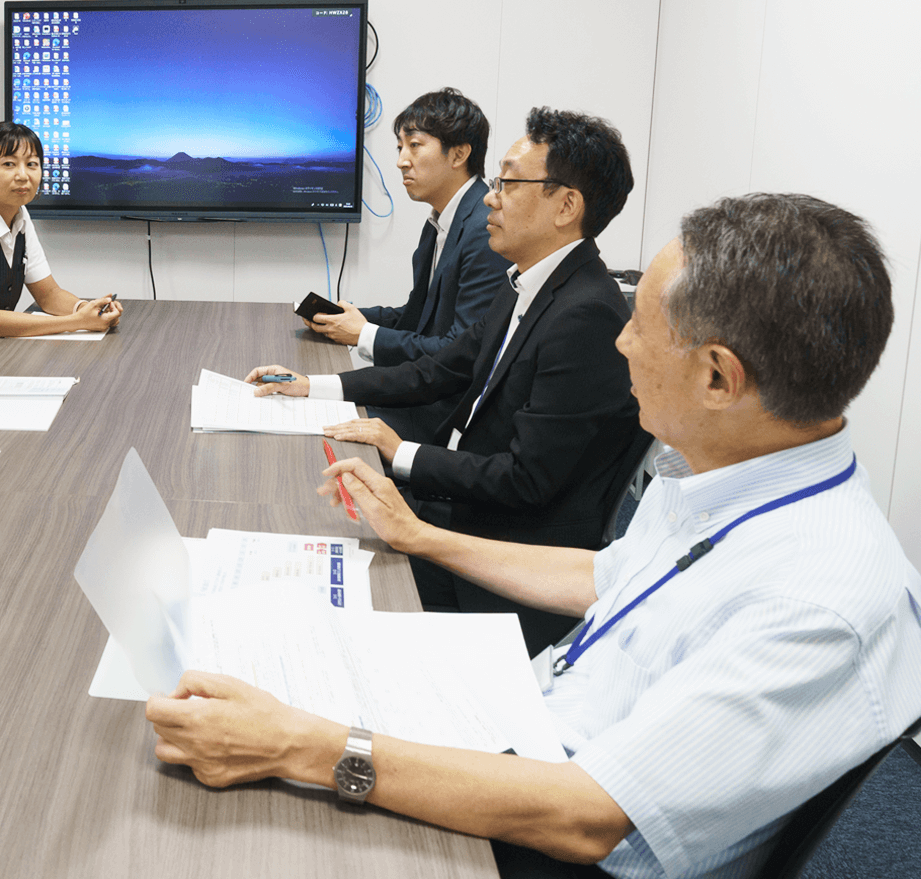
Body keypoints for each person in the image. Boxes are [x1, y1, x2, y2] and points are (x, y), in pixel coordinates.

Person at [154, 193, 921, 879]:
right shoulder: (730, 471)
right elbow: (606, 577)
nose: (620, 346)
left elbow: (587, 816)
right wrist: (421, 536)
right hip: (523, 721)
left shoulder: (822, 601)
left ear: (719, 378)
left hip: (544, 836)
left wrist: (302, 747)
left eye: (642, 330)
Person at [248, 108, 646, 654]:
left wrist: (402, 451)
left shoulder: (587, 316)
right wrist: (314, 388)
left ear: (566, 205)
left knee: (308, 582)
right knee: (306, 527)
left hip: (497, 559)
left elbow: (526, 480)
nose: (490, 196)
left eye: (508, 182)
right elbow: (441, 369)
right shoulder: (525, 281)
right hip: (459, 507)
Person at [304, 88, 510, 442]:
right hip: (421, 393)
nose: (401, 160)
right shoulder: (442, 220)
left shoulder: (484, 230)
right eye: (400, 147)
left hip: (443, 416)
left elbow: (456, 352)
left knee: (316, 426)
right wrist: (351, 316)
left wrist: (364, 334)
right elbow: (418, 316)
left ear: (459, 153)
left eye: (414, 145)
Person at [0, 120, 122, 365]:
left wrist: (88, 310)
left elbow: (49, 294)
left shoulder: (18, 213)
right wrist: (76, 323)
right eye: (9, 164)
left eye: (32, 164)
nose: (23, 175)